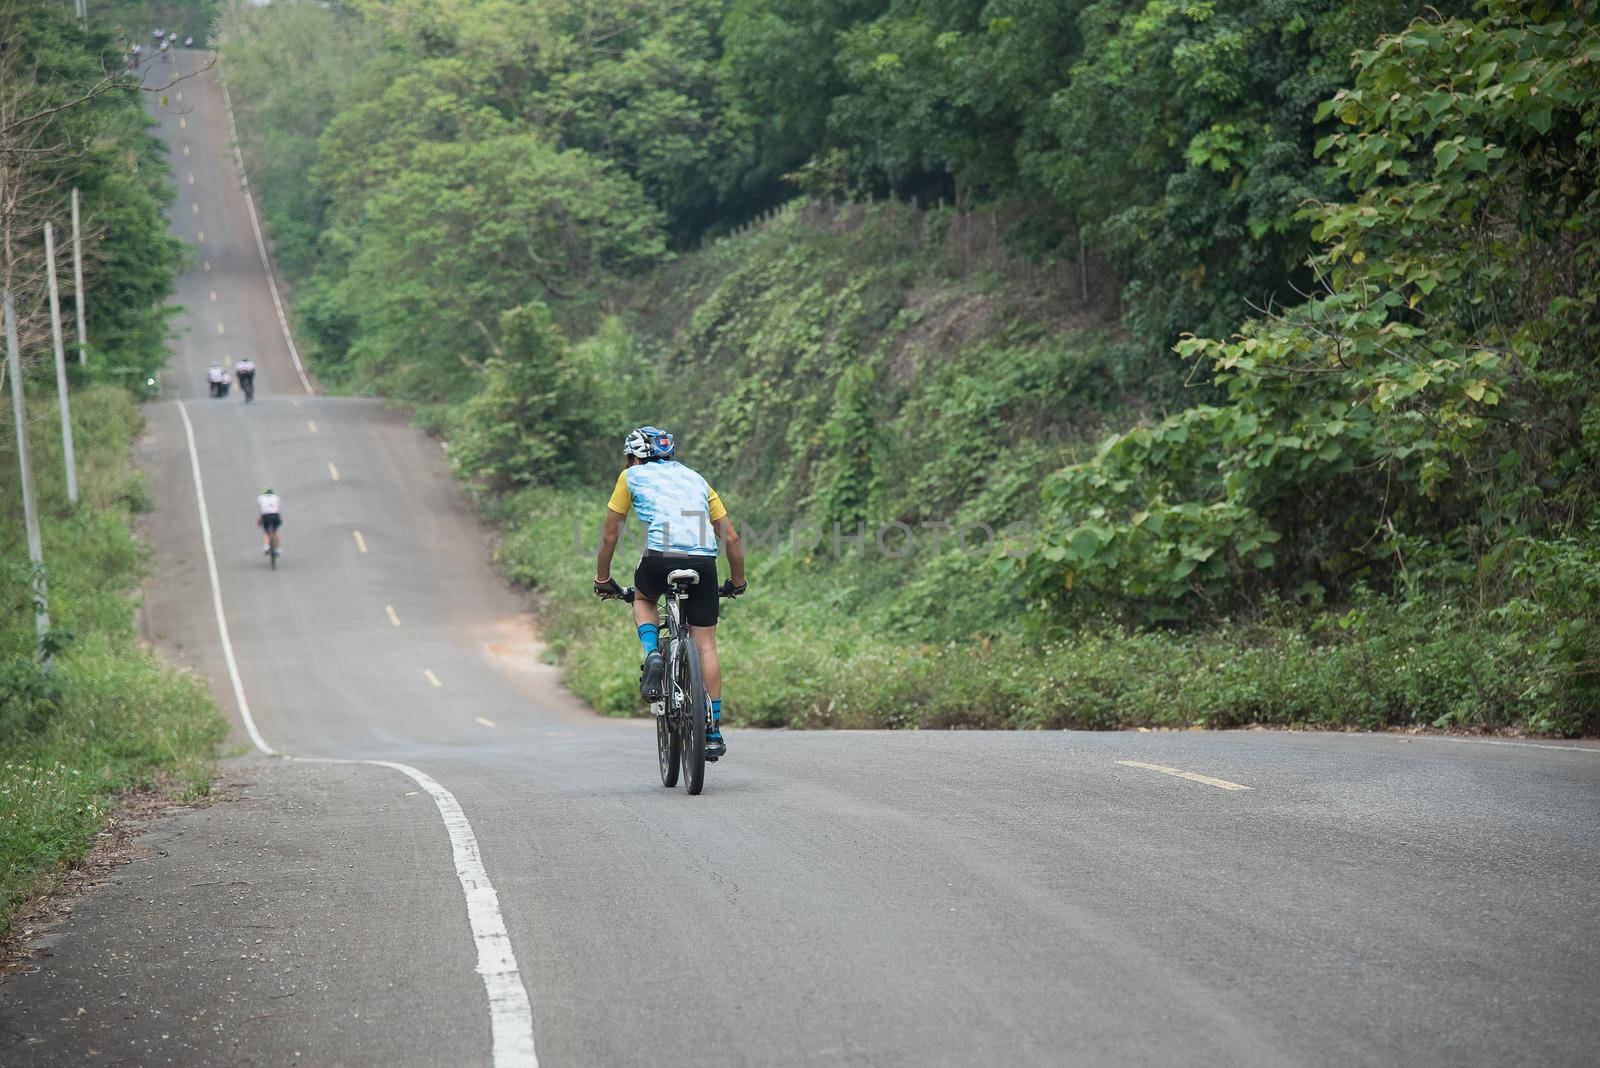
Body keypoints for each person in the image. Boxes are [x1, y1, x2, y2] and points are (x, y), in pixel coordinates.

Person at [594, 426, 746, 760]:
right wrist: (737, 582)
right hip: (704, 564)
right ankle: (712, 731)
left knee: (644, 597)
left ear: (635, 456)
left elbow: (609, 538)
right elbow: (732, 539)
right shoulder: (697, 478)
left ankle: (652, 654)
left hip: (659, 562)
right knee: (705, 644)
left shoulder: (630, 477)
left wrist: (603, 578)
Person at [257, 486, 282, 556]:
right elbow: (279, 508)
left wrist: (259, 520)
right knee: (276, 531)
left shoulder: (260, 498)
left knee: (266, 531)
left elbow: (261, 509)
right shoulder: (276, 497)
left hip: (265, 516)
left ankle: (266, 546)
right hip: (275, 515)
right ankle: (277, 549)